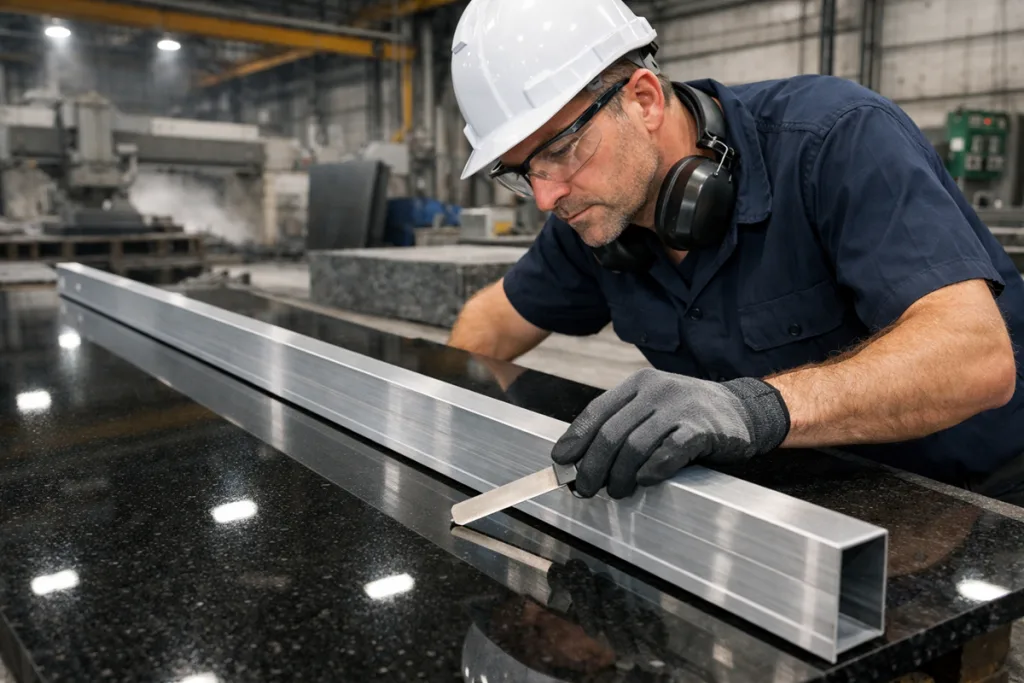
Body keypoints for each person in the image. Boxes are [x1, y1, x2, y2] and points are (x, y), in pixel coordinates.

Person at [445, 0, 1024, 503]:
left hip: (965, 489)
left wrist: (753, 409)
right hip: (800, 497)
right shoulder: (593, 214)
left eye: (563, 150)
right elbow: (488, 324)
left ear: (644, 100)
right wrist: (455, 450)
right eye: (521, 173)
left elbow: (975, 361)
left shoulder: (834, 140)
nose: (545, 197)